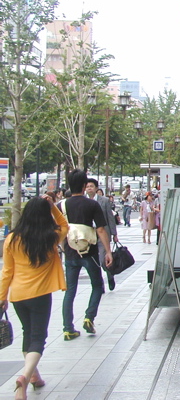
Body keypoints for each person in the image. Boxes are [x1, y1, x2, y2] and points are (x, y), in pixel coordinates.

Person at [0, 195, 68, 400]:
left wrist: (2, 297)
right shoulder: (50, 237)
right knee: (38, 337)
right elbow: (65, 225)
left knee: (27, 333)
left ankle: (34, 377)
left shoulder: (12, 239)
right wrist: (53, 207)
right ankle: (25, 376)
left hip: (18, 295)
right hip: (40, 295)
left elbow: (7, 271)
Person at [59, 169, 112, 340]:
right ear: (84, 185)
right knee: (97, 285)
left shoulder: (62, 205)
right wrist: (108, 251)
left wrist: (62, 247)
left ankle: (68, 329)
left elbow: (59, 230)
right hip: (89, 252)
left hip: (70, 252)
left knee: (70, 291)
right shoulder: (92, 204)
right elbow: (101, 229)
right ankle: (89, 317)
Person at [85, 179, 118, 291]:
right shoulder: (83, 201)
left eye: (91, 186)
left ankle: (110, 275)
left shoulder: (104, 201)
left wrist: (114, 233)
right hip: (89, 234)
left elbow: (110, 218)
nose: (89, 188)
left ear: (96, 188)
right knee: (94, 261)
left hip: (103, 233)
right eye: (87, 186)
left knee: (103, 259)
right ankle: (99, 284)